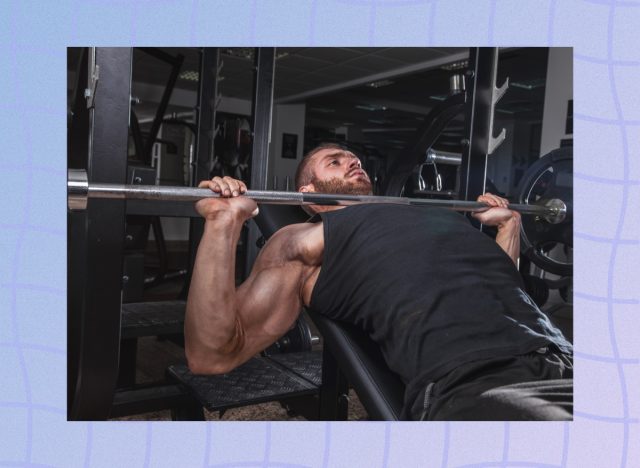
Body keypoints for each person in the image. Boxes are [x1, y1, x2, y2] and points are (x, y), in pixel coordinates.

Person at [184, 143, 573, 421]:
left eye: (353, 159)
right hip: (478, 378)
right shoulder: (304, 237)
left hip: (559, 351)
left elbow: (499, 285)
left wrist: (509, 225)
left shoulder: (430, 215)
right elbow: (211, 354)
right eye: (334, 162)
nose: (352, 162)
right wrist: (223, 222)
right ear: (308, 193)